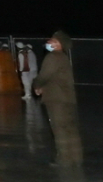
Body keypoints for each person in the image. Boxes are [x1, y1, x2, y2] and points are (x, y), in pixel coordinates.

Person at [32, 30, 81, 167]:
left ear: (60, 44)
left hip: (56, 99)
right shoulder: (63, 57)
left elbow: (44, 76)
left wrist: (36, 84)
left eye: (53, 40)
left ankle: (64, 159)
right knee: (70, 128)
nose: (49, 42)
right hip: (67, 98)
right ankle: (76, 157)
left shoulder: (53, 57)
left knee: (59, 129)